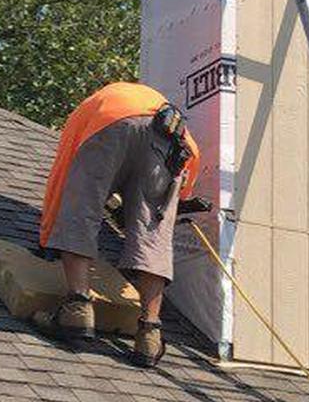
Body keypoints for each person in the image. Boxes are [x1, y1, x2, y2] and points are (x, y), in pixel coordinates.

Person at [32, 81, 200, 367]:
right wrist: (141, 212)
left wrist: (47, 237)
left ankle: (77, 308)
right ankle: (150, 334)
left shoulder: (89, 109)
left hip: (111, 122)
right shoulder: (182, 136)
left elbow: (64, 182)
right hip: (173, 139)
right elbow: (177, 193)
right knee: (155, 232)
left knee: (82, 207)